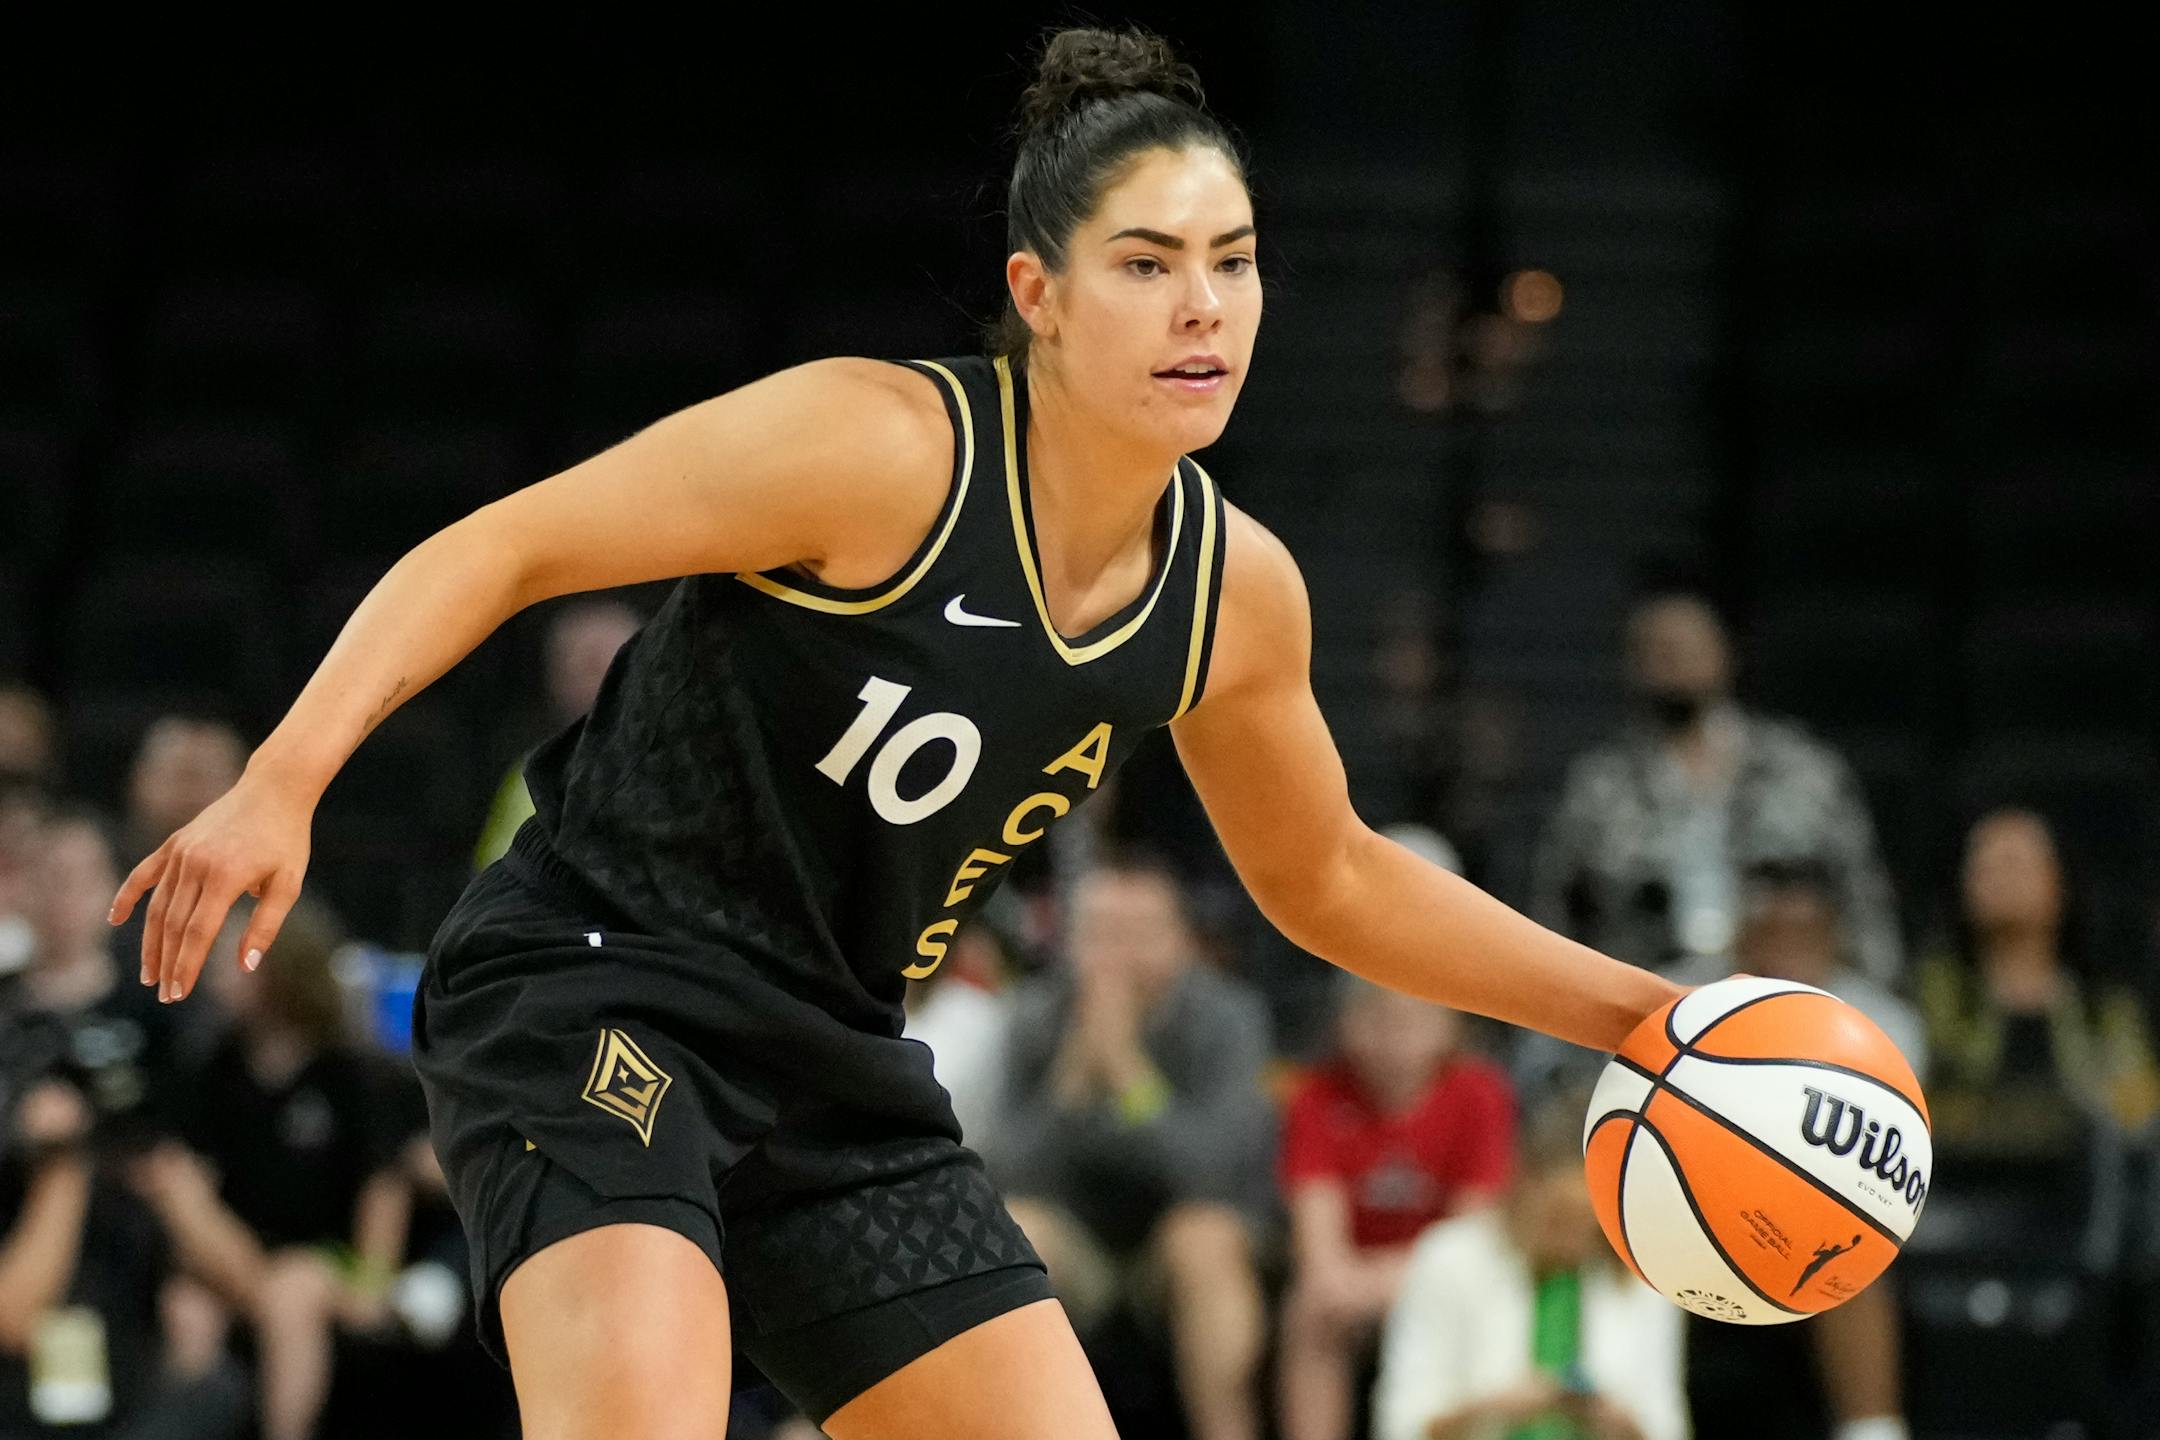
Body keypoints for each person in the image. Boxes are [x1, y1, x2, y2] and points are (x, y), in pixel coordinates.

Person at [110, 25, 1682, 1439]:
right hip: (601, 982)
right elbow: (500, 547)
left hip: (834, 1056)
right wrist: (282, 778)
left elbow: (1327, 875)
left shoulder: (1234, 595)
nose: (1203, 305)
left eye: (1235, 258)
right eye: (1145, 263)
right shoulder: (880, 451)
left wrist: (1638, 1016)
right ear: (1039, 297)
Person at [993, 851, 1278, 1440]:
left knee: (1204, 1240)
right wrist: (1073, 1078)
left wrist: (1128, 1075)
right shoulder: (1036, 1014)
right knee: (1018, 1231)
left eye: (1139, 934)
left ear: (1181, 940)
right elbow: (1005, 1172)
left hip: (1176, 1245)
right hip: (1082, 1245)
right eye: (1100, 934)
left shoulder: (1229, 1018)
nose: (1117, 956)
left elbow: (1214, 1173)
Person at [131, 901, 411, 1440]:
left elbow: (384, 1183)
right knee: (187, 1306)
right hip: (238, 1248)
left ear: (284, 969)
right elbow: (196, 1186)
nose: (215, 971)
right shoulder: (213, 1067)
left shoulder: (351, 1072)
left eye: (234, 958)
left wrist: (374, 1282)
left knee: (289, 1292)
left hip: (326, 1258)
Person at [1529, 591, 1902, 985]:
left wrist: (1877, 984)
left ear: (1726, 653)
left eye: (1688, 647)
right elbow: (1557, 912)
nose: (1673, 661)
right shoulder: (1600, 785)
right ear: (1632, 665)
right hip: (1642, 997)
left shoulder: (1801, 767)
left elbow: (1862, 894)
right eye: (1658, 650)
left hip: (1789, 993)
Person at [1675, 859, 1917, 1440]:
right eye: (1769, 930)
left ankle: (1873, 1430)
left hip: (1806, 1214)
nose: (1785, 947)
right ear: (1740, 932)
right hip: (1693, 1195)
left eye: (1802, 931)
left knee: (1855, 1246)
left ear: (1832, 934)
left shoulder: (1882, 1024)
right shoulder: (1680, 998)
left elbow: (1895, 1161)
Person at [1277, 972, 1514, 1440]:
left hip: (1438, 1274)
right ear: (1346, 1023)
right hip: (1352, 1282)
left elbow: (1471, 1232)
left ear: (1450, 1024)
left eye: (1415, 1018)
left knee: (1452, 1298)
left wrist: (1393, 1279)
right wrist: (1347, 1283)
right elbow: (1318, 1243)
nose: (1395, 1034)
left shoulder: (1480, 1094)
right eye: (1376, 1015)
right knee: (1309, 1309)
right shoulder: (1315, 1096)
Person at [1370, 1091, 1688, 1440]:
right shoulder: (1447, 1257)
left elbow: (1668, 1426)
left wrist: (1618, 1422)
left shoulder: (1644, 1279)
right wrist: (1492, 1409)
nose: (1572, 1239)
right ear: (1523, 1190)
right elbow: (1399, 1424)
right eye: (1558, 1219)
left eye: (1589, 1223)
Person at [1917, 808, 2160, 1149]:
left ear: (2060, 883)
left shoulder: (2105, 1012)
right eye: (1984, 867)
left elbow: (2140, 1114)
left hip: (2088, 1188)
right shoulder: (1929, 999)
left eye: (2015, 864)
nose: (2001, 879)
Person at [470, 598, 644, 871]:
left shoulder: (684, 765)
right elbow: (493, 879)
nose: (579, 680)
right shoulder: (531, 775)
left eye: (594, 664)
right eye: (567, 664)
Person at [121, 716, 246, 867]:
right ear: (139, 781)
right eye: (179, 775)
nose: (191, 791)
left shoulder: (270, 874)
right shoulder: (97, 862)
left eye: (209, 776)